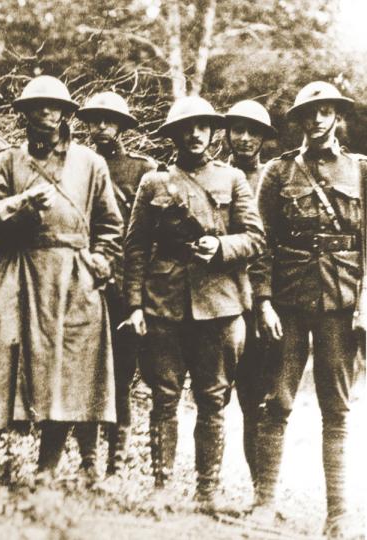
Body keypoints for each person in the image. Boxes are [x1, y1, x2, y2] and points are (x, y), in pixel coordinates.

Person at [0, 75, 123, 484]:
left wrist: (102, 260)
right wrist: (19, 204)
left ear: (66, 114)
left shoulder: (91, 164)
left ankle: (47, 467)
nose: (45, 115)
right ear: (23, 115)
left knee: (66, 364)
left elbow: (110, 225)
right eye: (35, 108)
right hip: (13, 269)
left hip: (71, 277)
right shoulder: (6, 161)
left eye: (53, 107)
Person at [122, 96, 264, 513]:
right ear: (174, 135)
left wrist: (220, 246)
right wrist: (134, 305)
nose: (195, 133)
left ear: (212, 131)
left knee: (212, 399)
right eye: (187, 127)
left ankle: (207, 492)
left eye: (202, 126)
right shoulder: (154, 182)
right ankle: (162, 487)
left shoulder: (233, 179)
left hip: (218, 306)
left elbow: (255, 239)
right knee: (164, 397)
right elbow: (134, 248)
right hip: (164, 303)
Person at [251, 82, 363, 538]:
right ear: (298, 121)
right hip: (289, 302)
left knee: (336, 409)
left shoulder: (361, 170)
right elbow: (261, 243)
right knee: (276, 401)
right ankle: (263, 504)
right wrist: (262, 300)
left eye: (326, 112)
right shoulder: (278, 173)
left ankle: (338, 515)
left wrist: (365, 303)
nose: (317, 120)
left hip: (341, 303)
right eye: (309, 114)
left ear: (337, 117)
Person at [76, 91, 158, 476]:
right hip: (84, 282)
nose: (102, 127)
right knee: (84, 372)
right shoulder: (78, 165)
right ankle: (88, 460)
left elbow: (149, 236)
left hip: (125, 287)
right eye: (96, 120)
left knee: (121, 375)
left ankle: (117, 461)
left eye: (110, 121)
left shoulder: (143, 170)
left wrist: (140, 292)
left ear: (122, 126)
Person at [223, 99, 277, 489]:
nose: (243, 138)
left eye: (252, 131)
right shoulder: (213, 177)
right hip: (218, 298)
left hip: (260, 302)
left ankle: (261, 489)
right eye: (237, 129)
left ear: (263, 139)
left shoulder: (271, 180)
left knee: (255, 399)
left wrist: (265, 299)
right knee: (211, 395)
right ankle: (202, 484)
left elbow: (273, 244)